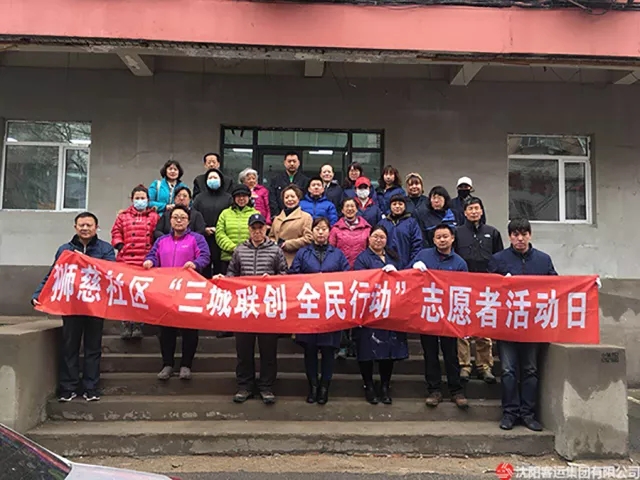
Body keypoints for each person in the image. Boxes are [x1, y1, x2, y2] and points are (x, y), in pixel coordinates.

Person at [32, 212, 116, 402]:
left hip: (95, 305)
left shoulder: (105, 249)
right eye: (81, 225)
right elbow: (54, 274)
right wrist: (38, 294)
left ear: (96, 227)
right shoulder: (65, 249)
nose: (85, 228)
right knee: (69, 346)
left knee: (93, 347)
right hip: (71, 305)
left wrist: (85, 261)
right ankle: (68, 387)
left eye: (89, 225)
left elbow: (110, 272)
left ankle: (91, 387)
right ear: (75, 227)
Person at [488, 218, 557, 432]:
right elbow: (487, 289)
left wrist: (587, 285)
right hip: (507, 326)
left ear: (530, 235)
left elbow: (557, 287)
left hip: (533, 327)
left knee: (530, 370)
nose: (520, 238)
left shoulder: (543, 260)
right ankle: (510, 413)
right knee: (508, 370)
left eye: (524, 234)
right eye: (515, 234)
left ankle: (528, 414)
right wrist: (502, 283)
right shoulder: (498, 259)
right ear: (509, 237)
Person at [225, 213, 289, 405]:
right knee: (243, 350)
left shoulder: (275, 250)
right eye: (253, 228)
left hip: (267, 308)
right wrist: (226, 281)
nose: (257, 231)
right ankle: (245, 386)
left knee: (268, 351)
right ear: (249, 229)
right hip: (244, 307)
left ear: (266, 229)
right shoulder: (239, 250)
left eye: (260, 228)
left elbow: (284, 275)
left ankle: (266, 387)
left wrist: (273, 280)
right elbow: (231, 273)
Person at [143, 205, 211, 381]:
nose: (179, 220)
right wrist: (150, 261)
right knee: (166, 329)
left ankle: (186, 365)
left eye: (182, 217)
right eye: (175, 217)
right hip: (166, 290)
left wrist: (195, 264)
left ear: (188, 221)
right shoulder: (162, 240)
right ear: (170, 220)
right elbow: (152, 255)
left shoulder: (196, 238)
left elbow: (205, 256)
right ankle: (167, 364)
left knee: (189, 329)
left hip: (189, 290)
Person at [290, 217, 350, 405]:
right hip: (309, 309)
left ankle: (324, 387)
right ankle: (313, 386)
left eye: (324, 229)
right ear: (312, 232)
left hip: (330, 309)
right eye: (317, 229)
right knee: (310, 350)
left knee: (328, 350)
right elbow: (293, 276)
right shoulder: (303, 253)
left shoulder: (338, 254)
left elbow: (347, 278)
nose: (321, 232)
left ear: (329, 232)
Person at [411, 223, 469, 410]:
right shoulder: (423, 256)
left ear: (452, 238)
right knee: (430, 353)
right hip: (427, 313)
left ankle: (456, 390)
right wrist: (414, 269)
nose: (442, 240)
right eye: (438, 237)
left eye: (445, 236)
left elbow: (465, 290)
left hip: (449, 315)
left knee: (451, 354)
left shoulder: (459, 263)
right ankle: (434, 390)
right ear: (434, 240)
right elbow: (408, 277)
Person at [353, 225, 408, 405]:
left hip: (390, 310)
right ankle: (368, 384)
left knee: (389, 350)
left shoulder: (394, 257)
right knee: (366, 350)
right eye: (375, 237)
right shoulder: (362, 258)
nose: (378, 240)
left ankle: (385, 385)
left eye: (382, 237)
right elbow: (361, 280)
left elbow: (404, 279)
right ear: (369, 238)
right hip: (368, 311)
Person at [455, 197, 504, 384]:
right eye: (470, 209)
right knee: (463, 327)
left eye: (477, 208)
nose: (474, 212)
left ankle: (484, 366)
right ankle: (465, 365)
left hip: (486, 288)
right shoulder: (457, 232)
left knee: (484, 326)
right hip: (463, 286)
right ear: (465, 212)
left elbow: (499, 258)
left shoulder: (492, 232)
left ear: (482, 211)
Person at [111, 185, 160, 340]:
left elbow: (158, 235)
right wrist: (120, 245)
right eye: (137, 198)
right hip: (126, 259)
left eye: (142, 198)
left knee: (141, 293)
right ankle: (126, 324)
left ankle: (139, 324)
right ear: (132, 199)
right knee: (125, 293)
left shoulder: (154, 217)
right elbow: (116, 232)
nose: (140, 201)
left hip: (146, 260)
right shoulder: (123, 216)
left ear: (148, 200)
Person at [192, 168, 232, 276]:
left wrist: (219, 230)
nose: (212, 179)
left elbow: (230, 216)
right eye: (210, 178)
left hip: (222, 239)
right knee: (204, 269)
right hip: (204, 238)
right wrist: (204, 229)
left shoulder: (228, 198)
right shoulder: (199, 198)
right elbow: (194, 215)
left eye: (215, 177)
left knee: (221, 270)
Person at [215, 184, 259, 274]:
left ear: (249, 197)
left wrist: (245, 249)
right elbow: (219, 233)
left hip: (249, 258)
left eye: (244, 195)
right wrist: (233, 248)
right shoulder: (225, 213)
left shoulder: (255, 214)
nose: (241, 198)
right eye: (238, 196)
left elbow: (258, 233)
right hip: (228, 258)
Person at [269, 185, 313, 267]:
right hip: (277, 259)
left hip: (296, 258)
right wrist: (274, 243)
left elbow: (308, 238)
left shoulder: (306, 217)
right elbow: (271, 236)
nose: (289, 199)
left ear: (298, 198)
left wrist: (287, 244)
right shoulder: (277, 218)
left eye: (292, 196)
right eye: (286, 197)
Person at [377, 194, 422, 269]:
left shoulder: (412, 223)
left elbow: (417, 244)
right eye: (394, 204)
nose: (397, 206)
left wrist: (412, 264)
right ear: (390, 206)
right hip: (387, 266)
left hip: (407, 266)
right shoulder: (382, 223)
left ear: (405, 206)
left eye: (400, 204)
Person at [329, 198, 371, 268]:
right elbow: (331, 250)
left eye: (352, 206)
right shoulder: (335, 229)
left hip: (362, 267)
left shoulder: (367, 228)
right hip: (341, 268)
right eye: (347, 206)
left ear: (357, 209)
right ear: (342, 210)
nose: (350, 208)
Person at [268, 152, 309, 218]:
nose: (292, 164)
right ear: (285, 163)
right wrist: (277, 215)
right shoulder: (275, 180)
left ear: (299, 163)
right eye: (289, 161)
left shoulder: (305, 181)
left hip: (299, 216)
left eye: (294, 161)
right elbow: (272, 199)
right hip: (280, 216)